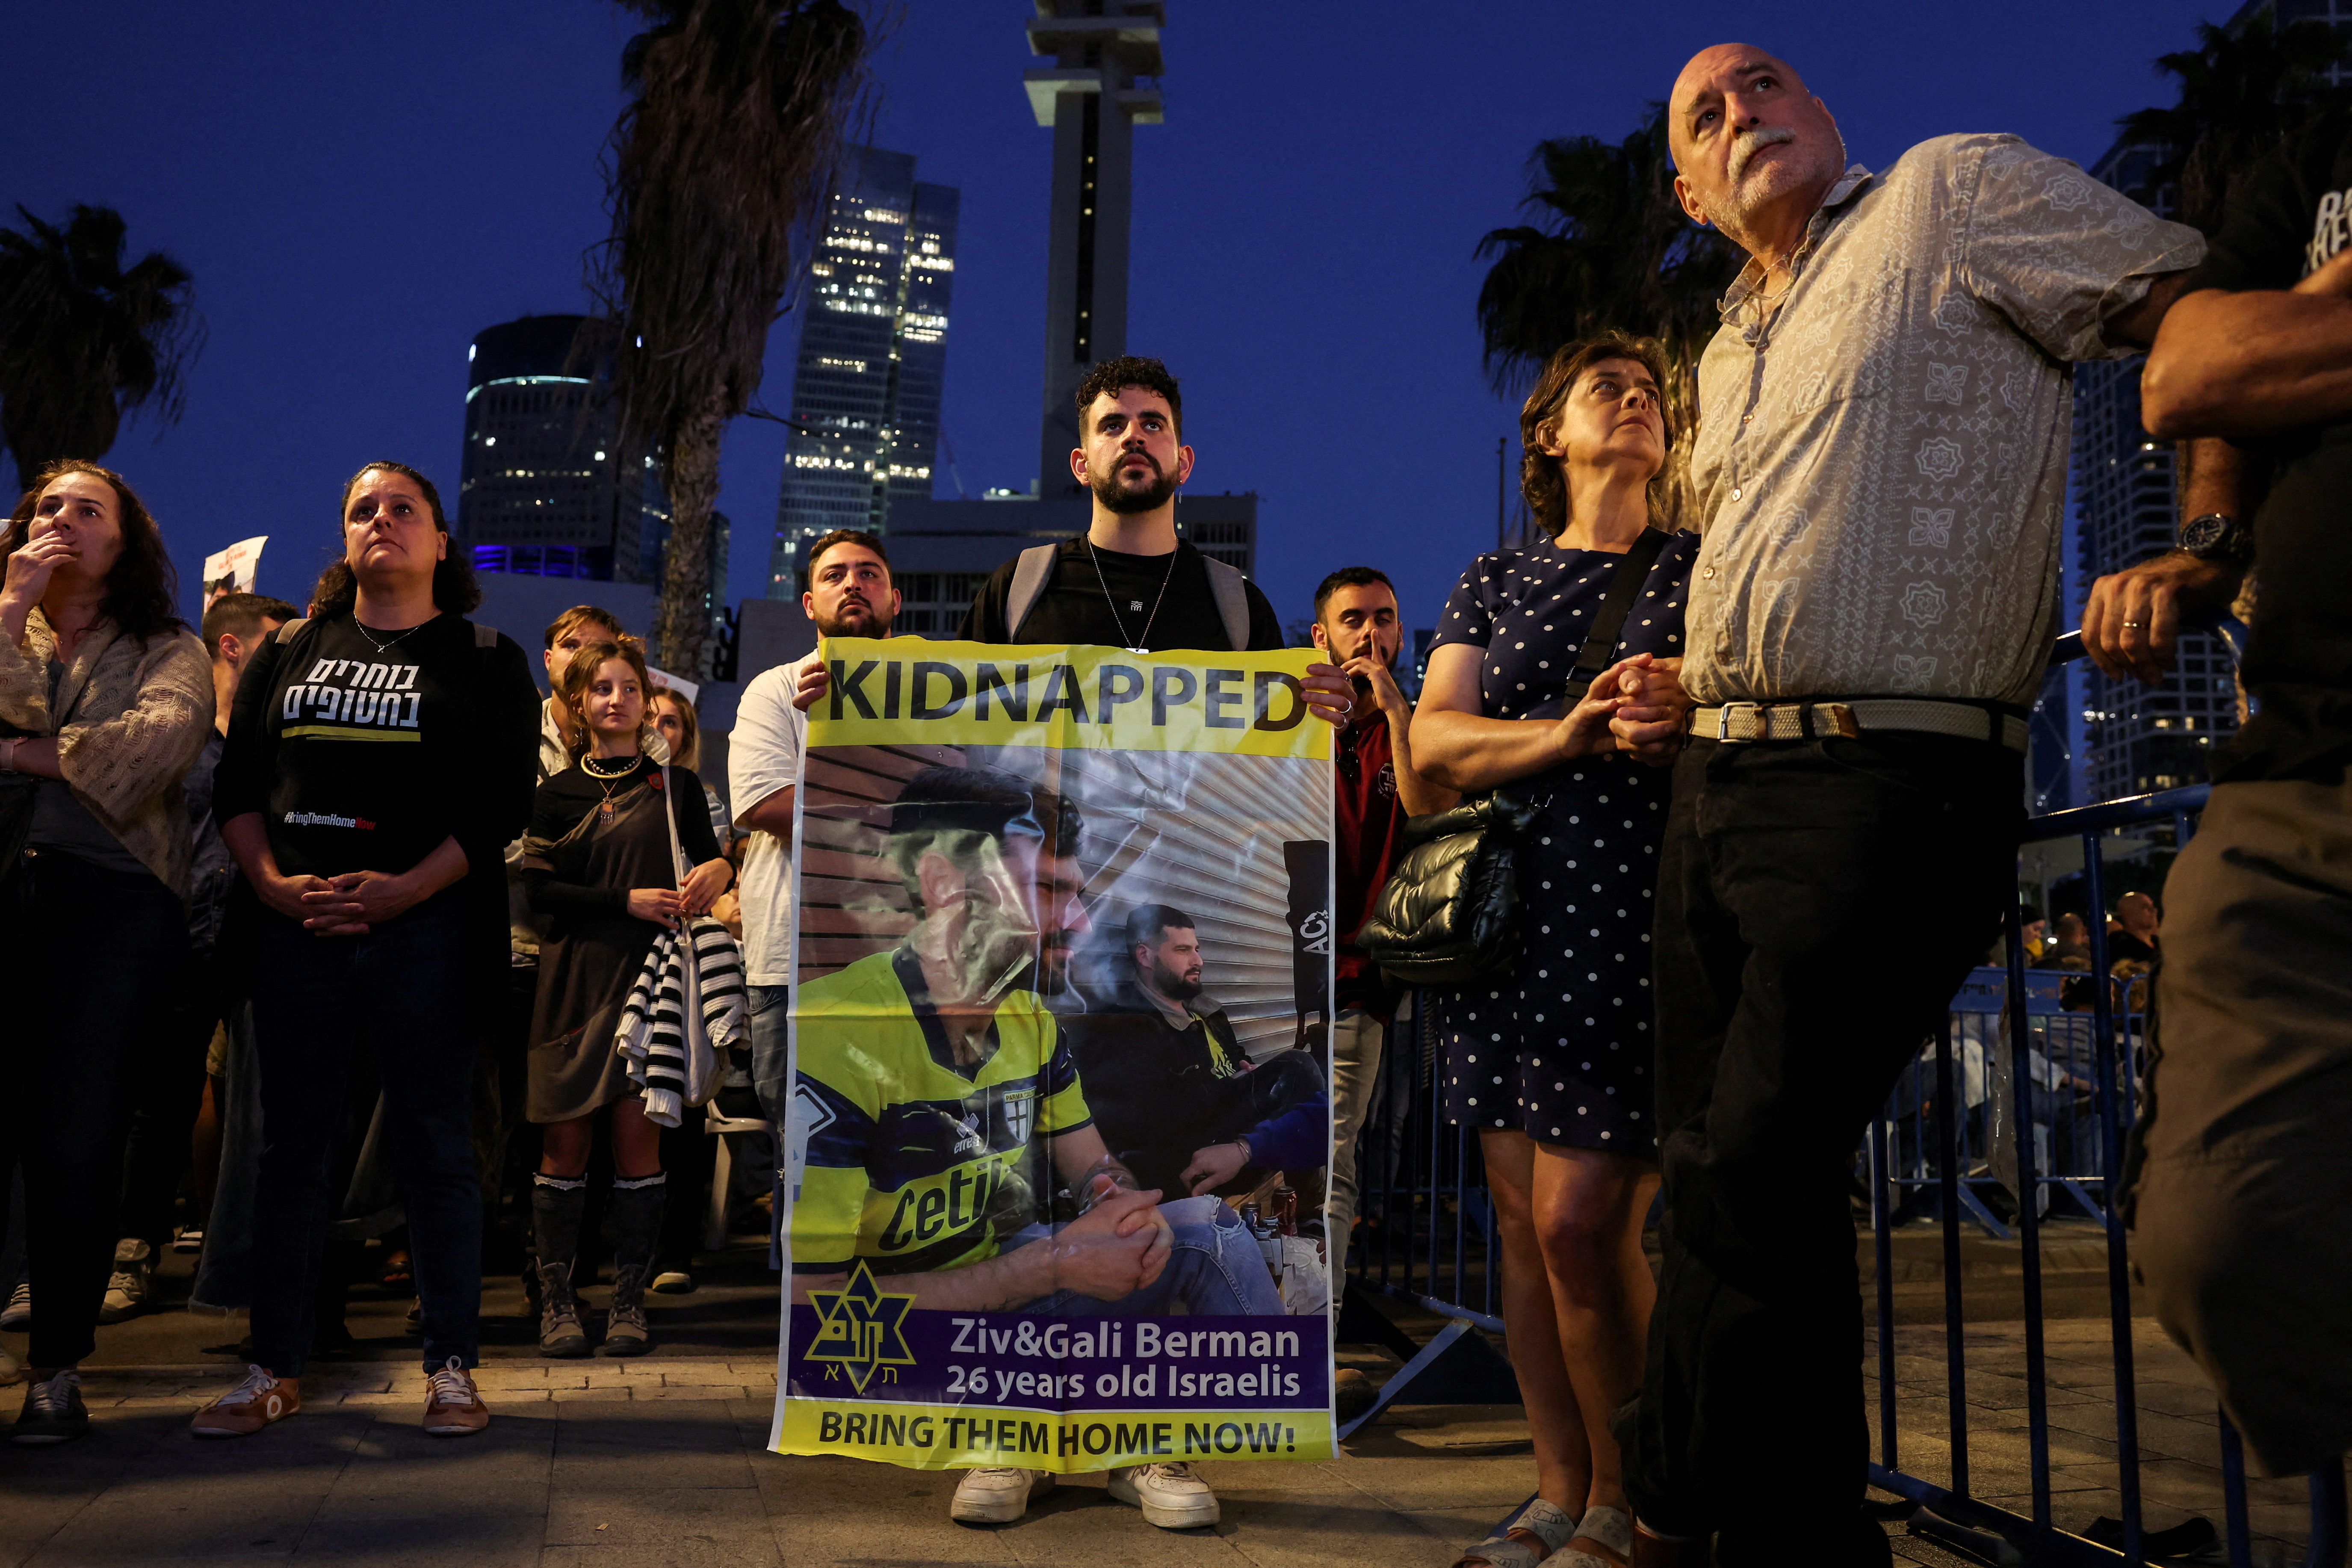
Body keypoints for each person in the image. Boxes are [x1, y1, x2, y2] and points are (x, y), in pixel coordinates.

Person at [1614, 45, 2207, 1564]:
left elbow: (2193, 321)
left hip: (1892, 773)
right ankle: (1741, 1524)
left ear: (1822, 109)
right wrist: (1691, 675)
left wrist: (2204, 538)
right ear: (1689, 192)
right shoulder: (1729, 343)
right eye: (1705, 117)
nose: (1741, 111)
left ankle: (1728, 1512)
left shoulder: (1952, 194)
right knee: (1719, 1166)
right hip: (1715, 776)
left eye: (1761, 83)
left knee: (1749, 1154)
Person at [790, 767, 1283, 1532]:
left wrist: (1115, 1204)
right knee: (1053, 1249)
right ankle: (1020, 1429)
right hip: (897, 1349)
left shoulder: (1029, 1019)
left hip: (1007, 1307)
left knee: (1203, 1228)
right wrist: (1051, 1263)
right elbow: (814, 1315)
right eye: (1052, 889)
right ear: (945, 880)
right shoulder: (838, 1031)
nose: (1081, 923)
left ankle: (1146, 1434)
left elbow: (1092, 1165)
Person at [1411, 334, 1701, 1568]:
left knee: (1587, 1224)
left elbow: (1738, 698)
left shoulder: (1700, 565)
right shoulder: (1494, 579)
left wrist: (1677, 704)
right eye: (1603, 389)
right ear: (1547, 437)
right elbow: (1430, 748)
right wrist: (1568, 736)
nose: (1632, 400)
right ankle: (1558, 1487)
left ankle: (1636, 1504)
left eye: (1645, 393)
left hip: (1631, 914)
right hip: (1504, 925)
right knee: (1523, 1227)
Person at [2094, 102, 2352, 1481]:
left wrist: (2294, 339)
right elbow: (2187, 377)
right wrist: (2209, 539)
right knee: (2220, 1235)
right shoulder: (2319, 150)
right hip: (2308, 754)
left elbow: (2248, 359)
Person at [193, 461, 540, 1440]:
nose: (380, 521)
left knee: (437, 1145)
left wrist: (403, 888)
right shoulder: (293, 645)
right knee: (292, 1149)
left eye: (402, 508)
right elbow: (240, 787)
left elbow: (500, 807)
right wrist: (270, 882)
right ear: (343, 541)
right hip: (297, 925)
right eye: (361, 510)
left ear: (438, 541)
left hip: (426, 930)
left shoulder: (484, 656)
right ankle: (273, 1366)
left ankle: (451, 1367)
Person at [0, 461, 214, 1445]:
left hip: (115, 904)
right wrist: (11, 612)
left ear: (126, 540)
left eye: (90, 510)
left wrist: (17, 751)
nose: (64, 521)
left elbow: (154, 745)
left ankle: (56, 1363)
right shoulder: (9, 615)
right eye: (49, 506)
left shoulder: (167, 643)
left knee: (77, 1135)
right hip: (8, 887)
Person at [521, 638, 728, 1358]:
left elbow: (714, 858)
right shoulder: (555, 793)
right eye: (602, 688)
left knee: (640, 1140)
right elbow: (540, 890)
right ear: (578, 703)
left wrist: (718, 872)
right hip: (574, 979)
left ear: (645, 700)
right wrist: (623, 898)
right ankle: (557, 1303)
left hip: (655, 981)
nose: (617, 699)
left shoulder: (677, 787)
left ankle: (628, 1305)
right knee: (564, 1142)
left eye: (629, 688)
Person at [103, 591, 296, 1326]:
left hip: (253, 941)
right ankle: (131, 1250)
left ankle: (247, 1266)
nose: (288, 659)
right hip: (174, 939)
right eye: (276, 644)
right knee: (157, 1101)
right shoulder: (176, 741)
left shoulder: (273, 750)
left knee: (259, 1107)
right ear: (232, 648)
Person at [1306, 566, 1457, 1270]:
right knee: (1285, 1163)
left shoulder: (1418, 724)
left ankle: (1317, 1339)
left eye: (1387, 618)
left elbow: (1430, 808)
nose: (1372, 633)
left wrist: (1399, 714)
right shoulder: (1288, 720)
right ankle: (1281, 1325)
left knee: (1338, 1152)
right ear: (1321, 636)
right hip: (1274, 975)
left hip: (1360, 976)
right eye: (1355, 619)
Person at [731, 528, 900, 1135]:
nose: (853, 583)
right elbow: (766, 804)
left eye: (869, 573)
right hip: (796, 963)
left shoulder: (933, 696)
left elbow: (959, 805)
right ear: (809, 604)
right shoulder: (776, 690)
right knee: (803, 1154)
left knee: (906, 1145)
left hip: (903, 960)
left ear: (895, 600)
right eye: (834, 575)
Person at [1062, 904, 1324, 1200]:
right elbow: (1149, 1121)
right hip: (1195, 1154)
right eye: (1183, 950)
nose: (1198, 960)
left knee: (1299, 1080)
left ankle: (1304, 1199)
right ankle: (1312, 1201)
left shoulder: (1207, 1011)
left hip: (1237, 1131)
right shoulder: (1129, 1026)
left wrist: (1251, 1073)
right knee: (1299, 1067)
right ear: (1145, 956)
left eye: (1197, 949)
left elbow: (1237, 1056)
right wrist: (1233, 1087)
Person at [643, 681, 734, 1294]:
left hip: (684, 957)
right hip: (622, 949)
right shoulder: (603, 789)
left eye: (671, 722)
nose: (658, 730)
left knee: (685, 1099)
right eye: (651, 719)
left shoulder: (702, 799)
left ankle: (674, 1247)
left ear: (687, 736)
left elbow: (716, 879)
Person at [2104, 890, 2159, 967]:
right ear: (2129, 917)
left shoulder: (2160, 944)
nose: (2154, 911)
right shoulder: (2122, 948)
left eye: (2152, 906)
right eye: (2145, 907)